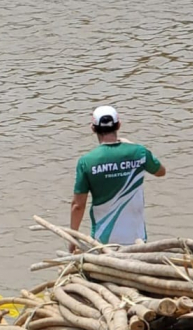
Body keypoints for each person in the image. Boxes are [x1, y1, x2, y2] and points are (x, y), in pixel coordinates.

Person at [70, 105, 166, 250]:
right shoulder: (139, 152)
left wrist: (73, 239)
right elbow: (161, 172)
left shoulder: (86, 161)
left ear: (93, 128)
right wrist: (133, 145)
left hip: (104, 241)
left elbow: (78, 206)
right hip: (137, 240)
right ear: (119, 125)